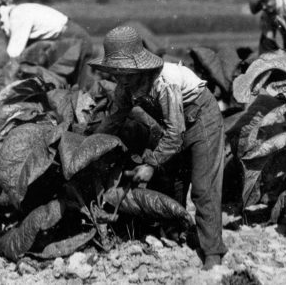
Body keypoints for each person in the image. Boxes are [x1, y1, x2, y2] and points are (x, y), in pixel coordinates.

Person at [89, 26, 226, 270]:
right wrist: (87, 146)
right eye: (116, 72)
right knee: (173, 182)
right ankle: (178, 232)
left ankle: (213, 252)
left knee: (204, 187)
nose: (120, 77)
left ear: (138, 67)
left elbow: (176, 133)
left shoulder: (165, 81)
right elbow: (114, 121)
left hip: (201, 120)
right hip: (175, 126)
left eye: (125, 71)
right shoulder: (125, 88)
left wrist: (151, 164)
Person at [0, 0, 94, 89]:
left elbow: (13, 57)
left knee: (82, 90)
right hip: (60, 45)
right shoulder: (8, 23)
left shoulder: (18, 15)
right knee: (64, 90)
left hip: (74, 39)